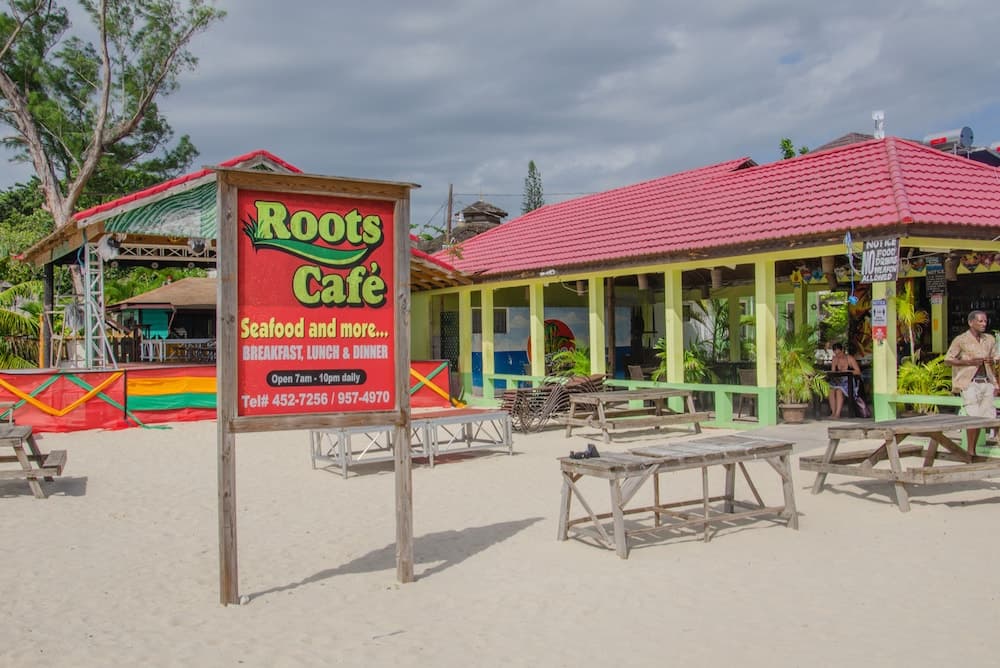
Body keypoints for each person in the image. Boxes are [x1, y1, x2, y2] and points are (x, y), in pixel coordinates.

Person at [945, 310, 999, 455]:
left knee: (988, 417)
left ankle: (977, 451)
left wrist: (992, 361)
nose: (984, 324)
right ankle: (970, 452)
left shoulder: (989, 339)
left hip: (987, 382)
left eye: (985, 321)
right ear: (971, 322)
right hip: (969, 383)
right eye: (980, 321)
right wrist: (968, 362)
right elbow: (948, 360)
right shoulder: (961, 340)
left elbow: (996, 357)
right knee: (973, 417)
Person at [826, 342, 861, 418]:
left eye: (839, 353)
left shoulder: (850, 358)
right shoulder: (835, 359)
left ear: (843, 350)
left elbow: (858, 371)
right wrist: (834, 365)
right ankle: (833, 412)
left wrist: (848, 371)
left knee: (839, 391)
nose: (838, 355)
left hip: (848, 382)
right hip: (838, 381)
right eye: (836, 354)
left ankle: (837, 414)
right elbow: (833, 372)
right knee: (830, 390)